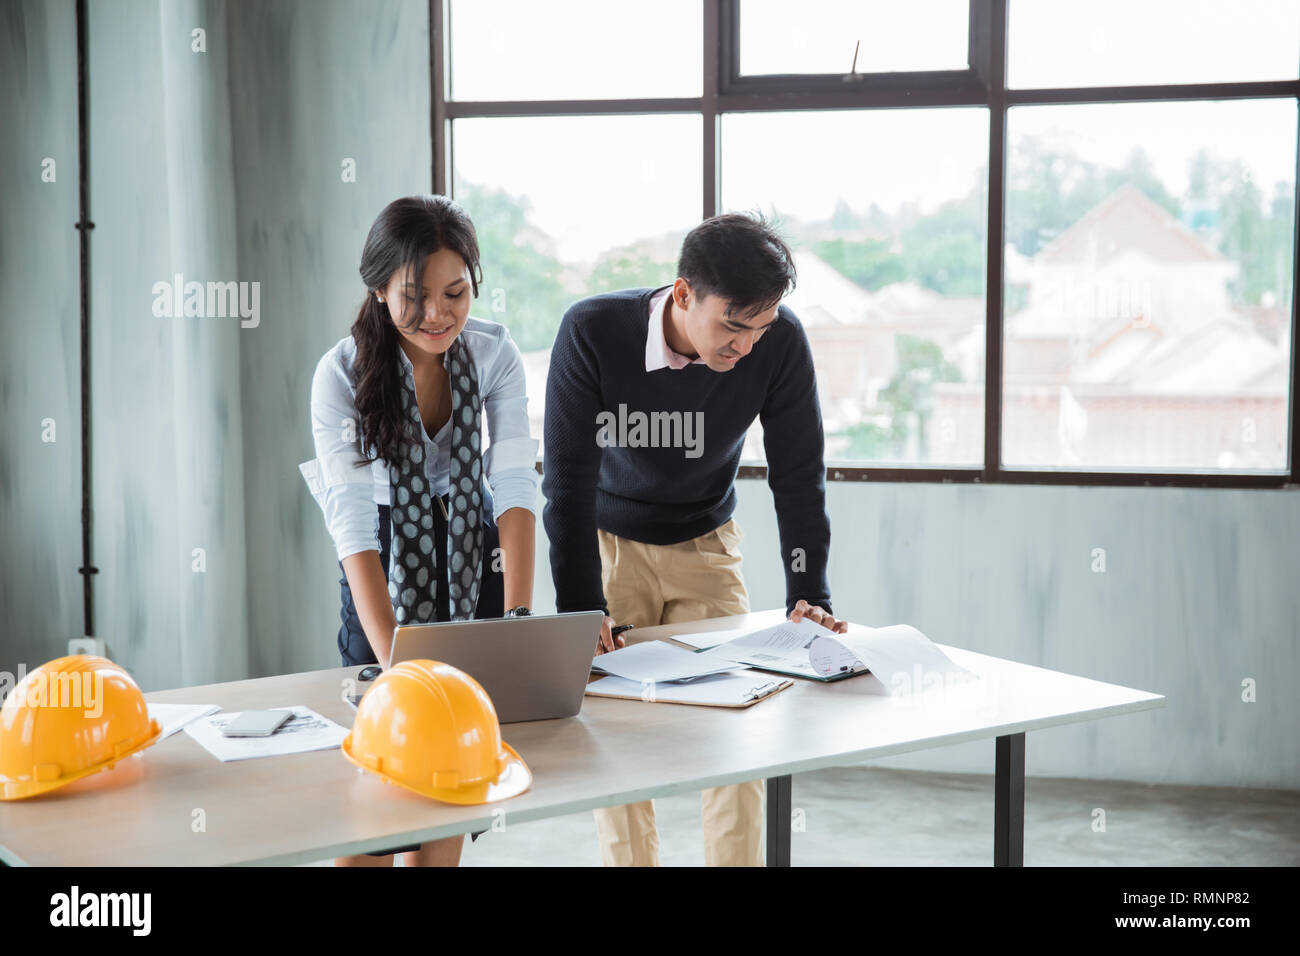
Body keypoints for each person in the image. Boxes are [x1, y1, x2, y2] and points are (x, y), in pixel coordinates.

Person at [542, 211, 846, 867]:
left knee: (737, 726)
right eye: (733, 327)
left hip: (708, 544)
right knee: (615, 733)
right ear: (684, 294)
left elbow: (798, 473)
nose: (745, 347)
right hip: (608, 548)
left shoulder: (779, 341)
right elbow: (566, 482)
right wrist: (578, 603)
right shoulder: (593, 331)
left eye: (759, 329)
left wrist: (809, 592)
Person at [299, 195, 538, 867]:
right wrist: (400, 670)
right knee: (382, 775)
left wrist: (517, 616)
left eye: (455, 292)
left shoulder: (493, 353)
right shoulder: (340, 373)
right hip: (380, 557)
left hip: (473, 552)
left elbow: (516, 486)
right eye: (416, 295)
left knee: (452, 772)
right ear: (379, 289)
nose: (439, 313)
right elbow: (351, 523)